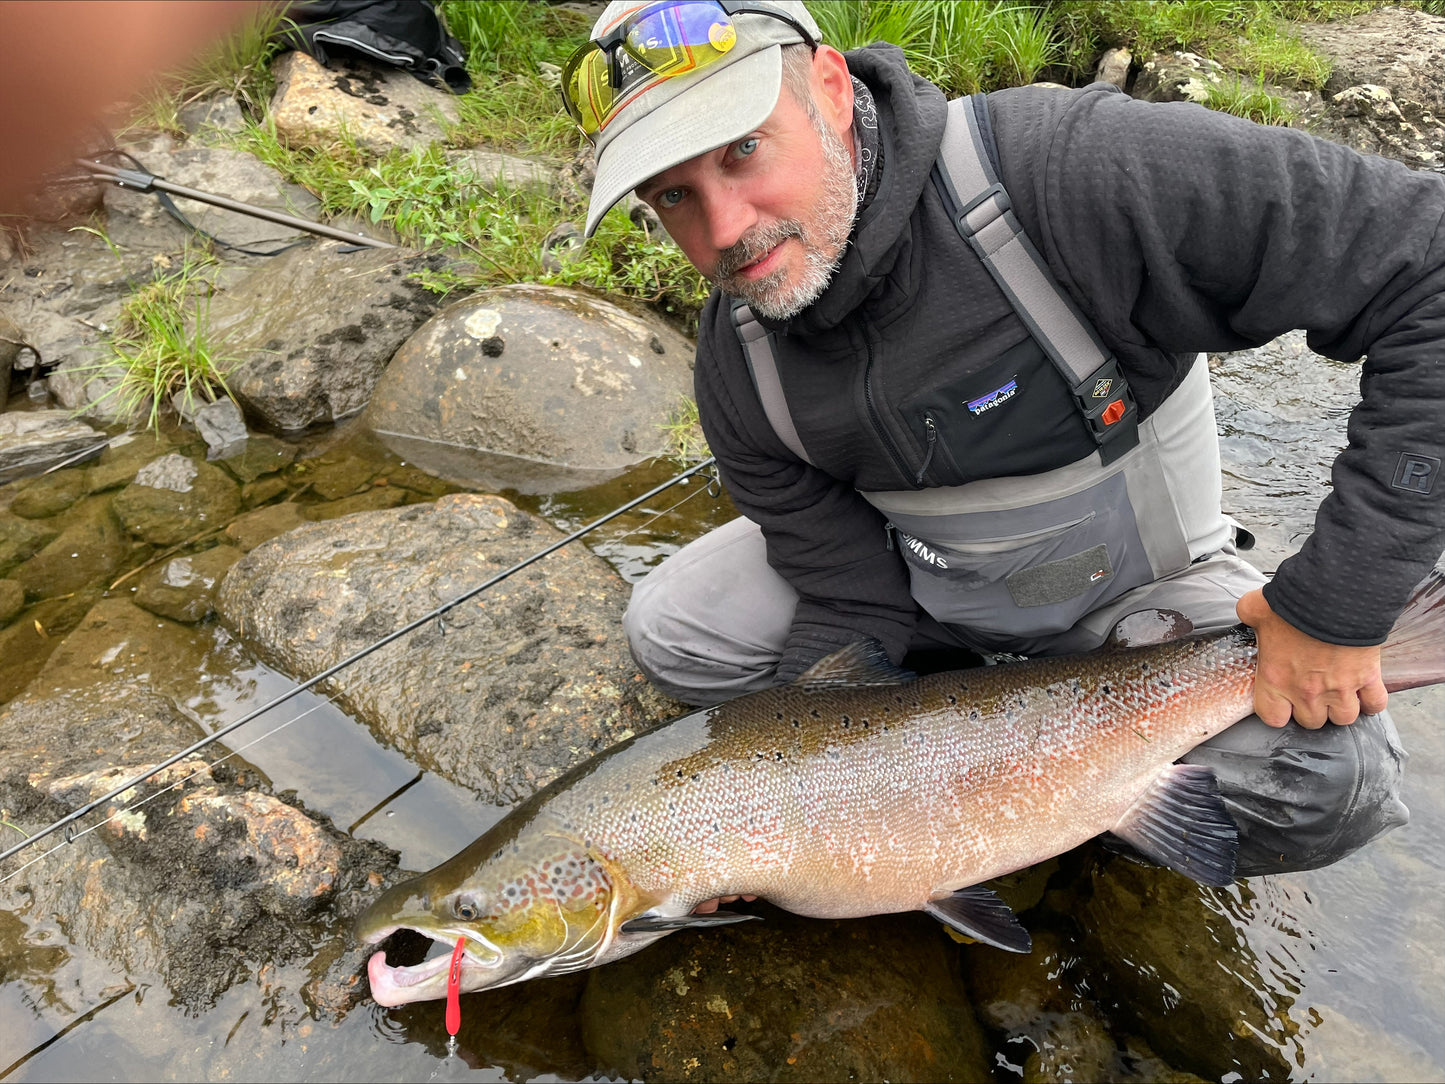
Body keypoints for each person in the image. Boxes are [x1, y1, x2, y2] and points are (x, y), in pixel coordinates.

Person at [562, 1, 1445, 876]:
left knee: (1332, 781)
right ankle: (996, 767)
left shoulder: (1074, 168)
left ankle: (1081, 800)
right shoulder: (735, 363)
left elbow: (1428, 265)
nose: (724, 231)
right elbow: (844, 592)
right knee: (679, 631)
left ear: (829, 89)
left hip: (1140, 604)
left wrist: (1334, 607)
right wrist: (789, 800)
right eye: (674, 195)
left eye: (743, 151)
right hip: (928, 594)